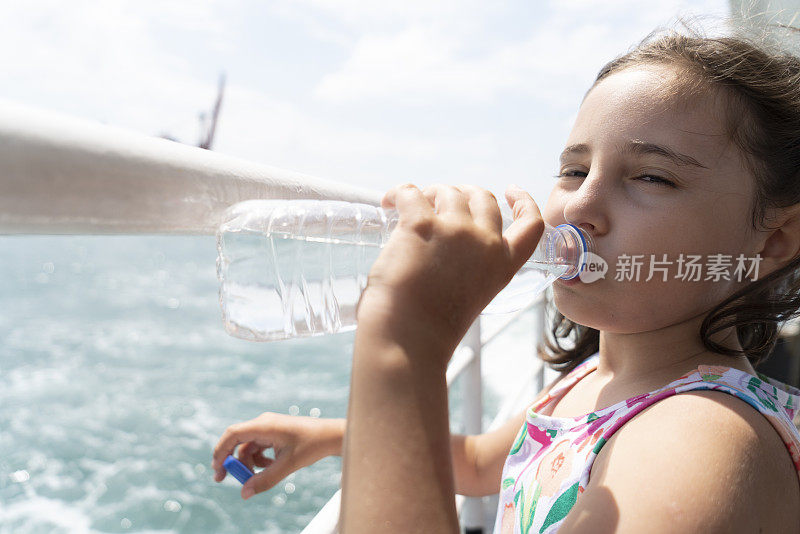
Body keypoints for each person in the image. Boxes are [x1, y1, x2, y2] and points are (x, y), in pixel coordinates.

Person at [211, 16, 800, 533]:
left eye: (652, 177)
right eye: (573, 170)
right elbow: (478, 462)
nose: (579, 207)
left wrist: (402, 346)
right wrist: (333, 437)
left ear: (773, 237)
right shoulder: (596, 377)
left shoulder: (701, 441)